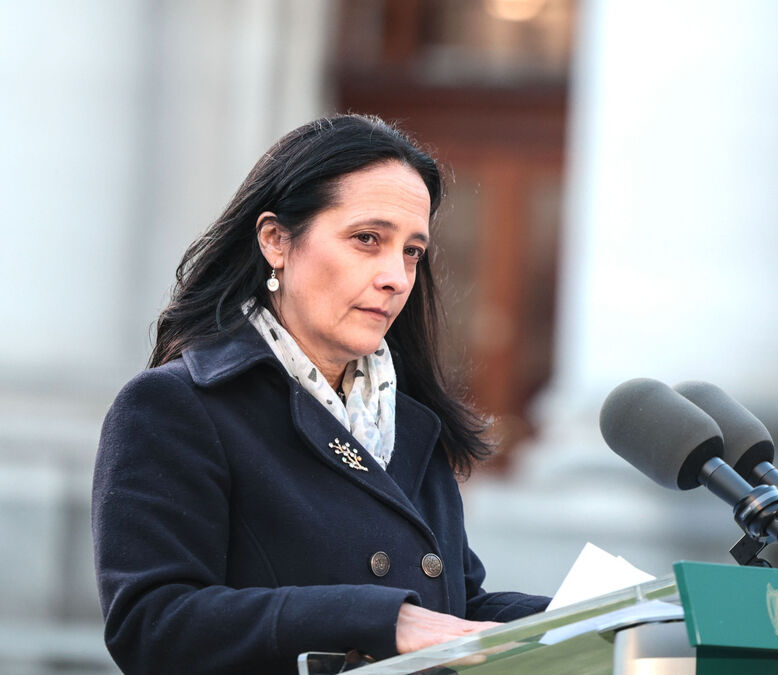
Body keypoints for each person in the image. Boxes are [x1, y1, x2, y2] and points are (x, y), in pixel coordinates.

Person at [92, 114, 549, 674]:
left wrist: (589, 616)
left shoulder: (408, 421)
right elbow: (152, 624)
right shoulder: (176, 407)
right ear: (276, 240)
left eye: (411, 251)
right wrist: (376, 619)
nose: (396, 276)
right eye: (367, 240)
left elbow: (452, 609)